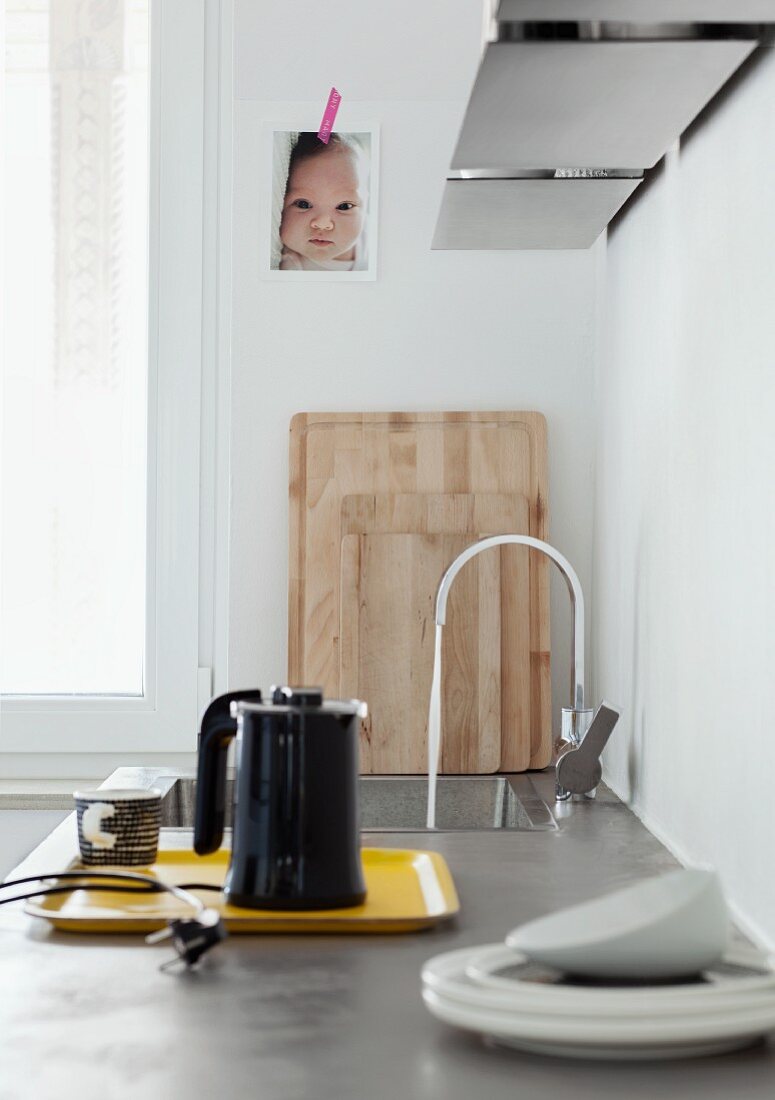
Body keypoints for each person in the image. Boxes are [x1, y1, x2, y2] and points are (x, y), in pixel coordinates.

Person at [278, 132, 369, 272]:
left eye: (344, 206)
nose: (323, 224)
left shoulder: (377, 240)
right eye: (304, 204)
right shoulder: (291, 268)